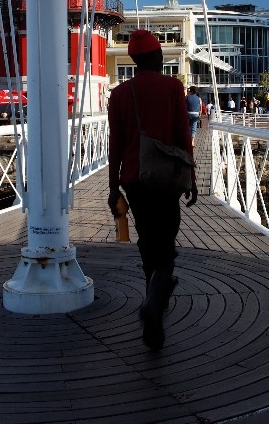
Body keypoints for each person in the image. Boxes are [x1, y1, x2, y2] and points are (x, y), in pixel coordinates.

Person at [108, 29, 197, 351]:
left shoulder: (119, 94)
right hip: (167, 177)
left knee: (147, 240)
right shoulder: (173, 87)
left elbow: (115, 145)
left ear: (133, 60)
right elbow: (182, 136)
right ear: (158, 57)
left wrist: (112, 187)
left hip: (134, 178)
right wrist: (193, 179)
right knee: (167, 240)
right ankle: (156, 300)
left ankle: (152, 297)